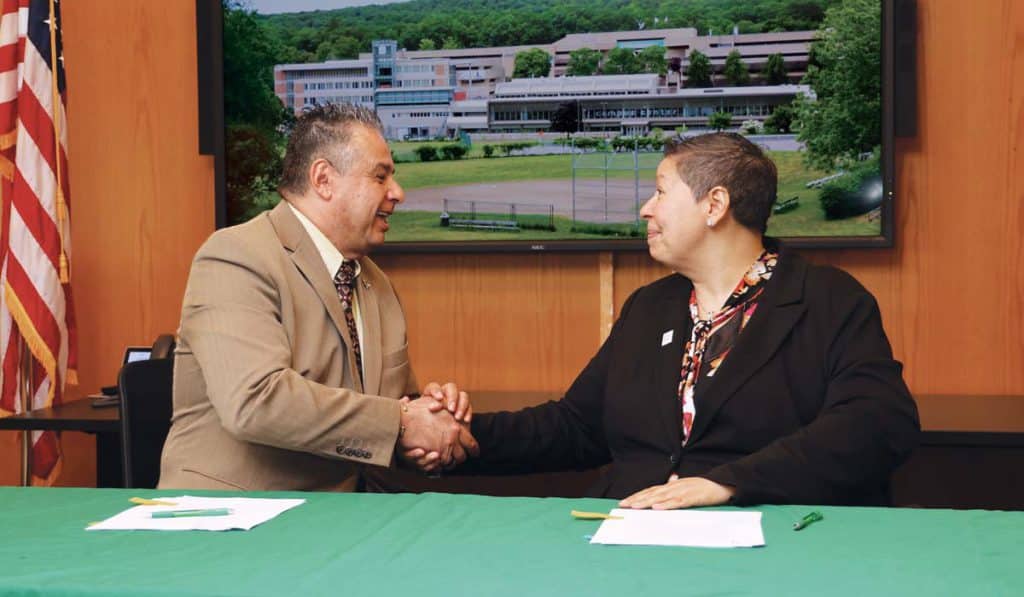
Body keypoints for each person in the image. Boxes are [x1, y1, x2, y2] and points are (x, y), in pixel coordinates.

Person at [457, 133, 920, 508]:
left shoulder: (829, 300)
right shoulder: (649, 307)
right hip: (635, 539)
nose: (646, 209)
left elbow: (878, 423)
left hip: (771, 544)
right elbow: (578, 426)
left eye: (660, 192)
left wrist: (727, 484)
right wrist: (460, 436)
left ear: (714, 205)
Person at [159, 103, 474, 491]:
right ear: (323, 179)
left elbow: (387, 415)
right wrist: (404, 422)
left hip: (343, 521)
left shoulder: (376, 283)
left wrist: (432, 415)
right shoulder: (235, 256)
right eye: (381, 177)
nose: (398, 193)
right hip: (235, 526)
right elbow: (256, 402)